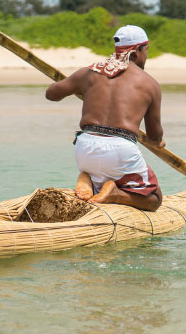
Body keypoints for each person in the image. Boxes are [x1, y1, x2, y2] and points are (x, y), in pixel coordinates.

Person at [45, 25, 164, 211]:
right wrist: (158, 143)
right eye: (146, 50)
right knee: (154, 198)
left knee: (105, 175)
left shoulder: (89, 72)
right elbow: (154, 137)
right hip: (120, 149)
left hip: (85, 147)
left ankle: (90, 180)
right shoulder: (149, 83)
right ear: (138, 51)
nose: (146, 56)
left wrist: (80, 85)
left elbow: (51, 94)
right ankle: (115, 193)